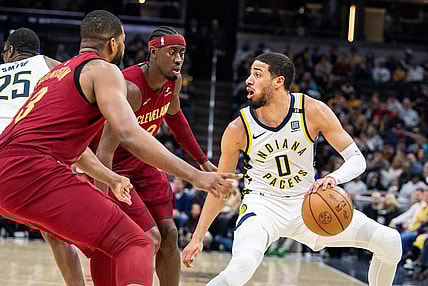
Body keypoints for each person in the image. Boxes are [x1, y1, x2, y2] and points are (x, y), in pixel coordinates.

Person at [0, 10, 237, 286]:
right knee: (138, 242)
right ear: (114, 43)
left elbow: (72, 148)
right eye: (123, 41)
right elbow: (127, 133)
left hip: (12, 169)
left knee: (109, 242)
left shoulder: (57, 73)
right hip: (36, 169)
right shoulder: (106, 71)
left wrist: (109, 179)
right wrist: (197, 176)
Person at [182, 52, 402, 286]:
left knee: (390, 242)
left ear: (279, 81)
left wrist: (333, 178)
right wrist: (197, 237)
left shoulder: (312, 110)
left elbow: (357, 159)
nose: (248, 80)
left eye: (257, 74)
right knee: (242, 266)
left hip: (307, 203)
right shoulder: (238, 128)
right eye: (250, 74)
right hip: (262, 206)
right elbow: (221, 188)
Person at [89, 26, 217, 286]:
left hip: (143, 164)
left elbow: (176, 118)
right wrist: (103, 193)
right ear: (153, 52)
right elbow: (104, 149)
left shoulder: (174, 82)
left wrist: (201, 159)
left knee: (170, 233)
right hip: (114, 167)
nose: (179, 58)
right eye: (172, 52)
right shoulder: (130, 88)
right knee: (147, 237)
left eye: (181, 52)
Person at [1, 27, 86, 286]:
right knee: (57, 236)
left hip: (10, 153)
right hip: (30, 157)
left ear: (11, 51)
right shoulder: (52, 66)